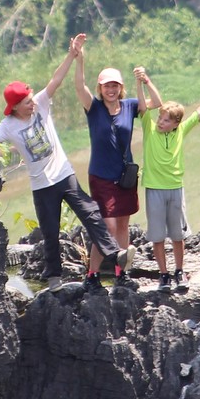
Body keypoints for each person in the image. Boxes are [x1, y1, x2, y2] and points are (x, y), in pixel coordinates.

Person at [0, 33, 128, 291]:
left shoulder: (41, 103)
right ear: (15, 107)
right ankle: (54, 278)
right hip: (41, 185)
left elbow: (56, 80)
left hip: (64, 174)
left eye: (31, 100)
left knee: (91, 212)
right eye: (27, 103)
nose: (32, 105)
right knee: (50, 232)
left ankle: (115, 255)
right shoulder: (8, 125)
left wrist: (72, 55)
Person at [134, 66, 200, 291]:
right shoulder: (149, 128)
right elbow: (143, 106)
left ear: (176, 123)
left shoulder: (181, 131)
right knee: (157, 236)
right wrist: (142, 82)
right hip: (154, 189)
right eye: (160, 118)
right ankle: (163, 275)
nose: (160, 122)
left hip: (176, 188)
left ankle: (179, 271)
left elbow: (199, 113)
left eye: (166, 120)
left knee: (178, 235)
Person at [77, 60, 141, 278]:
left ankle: (121, 272)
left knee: (123, 225)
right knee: (107, 228)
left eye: (115, 86)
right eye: (107, 86)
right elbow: (79, 86)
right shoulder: (94, 108)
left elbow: (156, 103)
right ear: (100, 88)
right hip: (102, 177)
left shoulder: (130, 106)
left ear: (121, 87)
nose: (111, 90)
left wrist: (143, 81)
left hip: (125, 177)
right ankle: (92, 274)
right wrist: (79, 58)